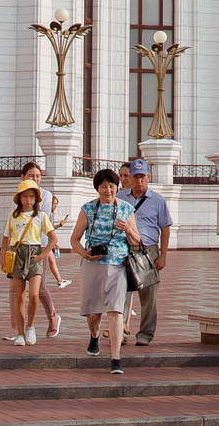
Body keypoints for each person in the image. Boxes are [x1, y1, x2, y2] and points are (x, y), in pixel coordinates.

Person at [72, 167, 144, 375]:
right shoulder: (88, 209)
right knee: (93, 313)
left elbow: (137, 239)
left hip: (119, 265)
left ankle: (115, 358)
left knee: (115, 310)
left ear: (117, 187)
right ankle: (94, 335)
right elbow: (74, 239)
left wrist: (128, 229)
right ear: (97, 188)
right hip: (93, 265)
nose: (108, 190)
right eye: (103, 186)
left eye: (111, 186)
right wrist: (85, 254)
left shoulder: (126, 209)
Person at [121, 159, 173, 345]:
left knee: (149, 297)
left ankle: (145, 335)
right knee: (122, 294)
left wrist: (163, 255)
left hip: (149, 251)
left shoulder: (158, 200)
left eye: (142, 177)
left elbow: (165, 229)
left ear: (148, 178)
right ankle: (121, 332)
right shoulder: (121, 198)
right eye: (135, 177)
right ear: (130, 178)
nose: (139, 181)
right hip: (125, 250)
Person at [1, 181, 55, 344]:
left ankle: (30, 328)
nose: (28, 199)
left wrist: (42, 255)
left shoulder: (41, 216)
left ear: (36, 199)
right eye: (25, 196)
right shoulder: (14, 216)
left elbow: (53, 238)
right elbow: (5, 236)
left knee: (34, 294)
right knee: (19, 297)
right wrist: (2, 254)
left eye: (31, 196)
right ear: (19, 198)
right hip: (18, 254)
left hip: (34, 254)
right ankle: (20, 333)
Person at [19, 160, 66, 337]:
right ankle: (17, 327)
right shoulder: (18, 196)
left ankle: (53, 316)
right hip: (20, 248)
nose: (35, 179)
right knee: (17, 289)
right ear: (23, 177)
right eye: (31, 176)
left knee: (39, 288)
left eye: (38, 176)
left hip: (39, 246)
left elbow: (40, 219)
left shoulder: (45, 196)